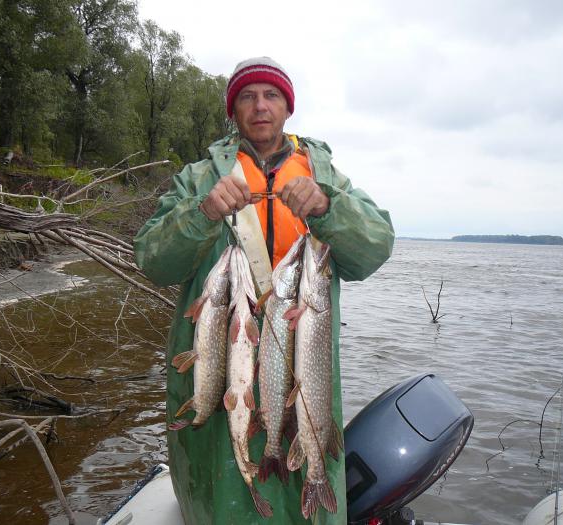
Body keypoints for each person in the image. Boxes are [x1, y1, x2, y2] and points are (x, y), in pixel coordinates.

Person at [134, 57, 394, 525]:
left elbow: (375, 247)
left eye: (271, 95)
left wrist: (328, 207)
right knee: (222, 483)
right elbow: (153, 259)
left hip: (302, 361)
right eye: (247, 97)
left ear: (287, 108)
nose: (259, 106)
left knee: (305, 465)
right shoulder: (198, 178)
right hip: (219, 354)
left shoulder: (323, 173)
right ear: (233, 110)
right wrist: (201, 212)